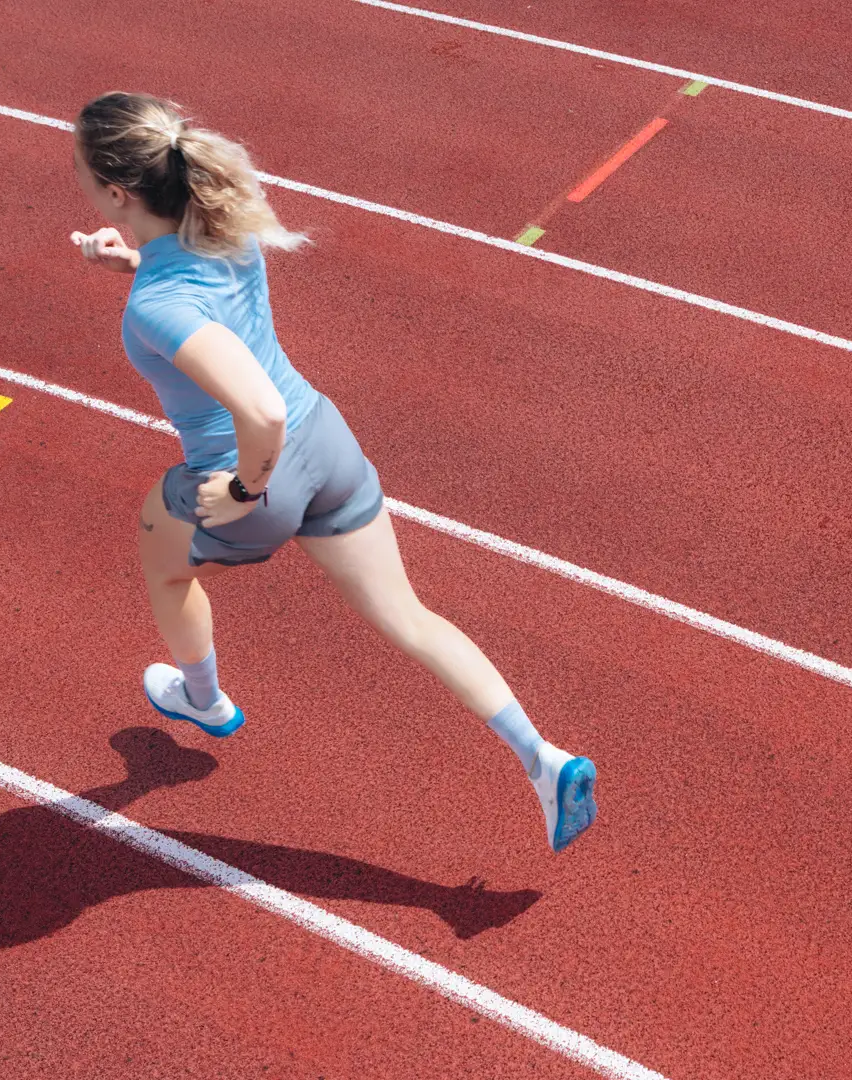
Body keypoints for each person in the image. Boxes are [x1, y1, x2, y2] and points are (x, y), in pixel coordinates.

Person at [67, 92, 595, 851]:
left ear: (117, 194)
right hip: (328, 442)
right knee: (410, 617)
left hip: (260, 473)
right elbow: (206, 314)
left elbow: (258, 413)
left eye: (79, 167)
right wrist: (132, 260)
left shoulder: (159, 304)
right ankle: (544, 760)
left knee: (162, 562)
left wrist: (244, 487)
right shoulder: (218, 227)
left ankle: (205, 702)